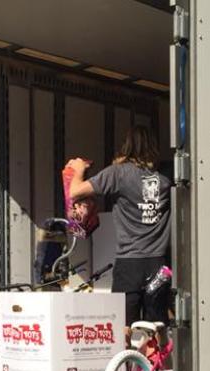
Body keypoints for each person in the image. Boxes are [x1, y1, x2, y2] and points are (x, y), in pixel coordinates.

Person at [67, 125, 172, 325]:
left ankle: (128, 356)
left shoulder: (117, 174)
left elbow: (75, 191)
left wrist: (79, 170)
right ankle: (158, 354)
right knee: (157, 324)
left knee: (124, 325)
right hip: (158, 263)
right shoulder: (166, 174)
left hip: (129, 264)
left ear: (126, 144)